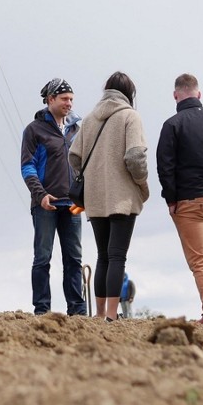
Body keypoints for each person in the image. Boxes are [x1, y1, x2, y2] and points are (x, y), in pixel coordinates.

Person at [69, 72, 149, 322]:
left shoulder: (90, 119)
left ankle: (101, 313)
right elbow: (135, 157)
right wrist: (141, 184)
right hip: (123, 196)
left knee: (102, 256)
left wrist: (90, 176)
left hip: (95, 197)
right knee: (117, 256)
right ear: (129, 93)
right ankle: (113, 316)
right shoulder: (130, 116)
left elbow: (73, 156)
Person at [156, 73, 203, 324]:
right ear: (199, 94)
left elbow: (165, 165)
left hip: (190, 199)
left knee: (199, 260)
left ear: (175, 95)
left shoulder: (172, 125)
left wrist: (171, 199)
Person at [20, 78, 86, 316]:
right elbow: (27, 167)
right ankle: (42, 310)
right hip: (45, 205)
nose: (69, 103)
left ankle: (78, 311)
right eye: (64, 99)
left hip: (72, 206)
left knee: (74, 260)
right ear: (50, 100)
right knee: (42, 258)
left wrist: (84, 195)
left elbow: (83, 166)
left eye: (71, 99)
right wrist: (40, 195)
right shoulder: (34, 130)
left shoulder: (77, 130)